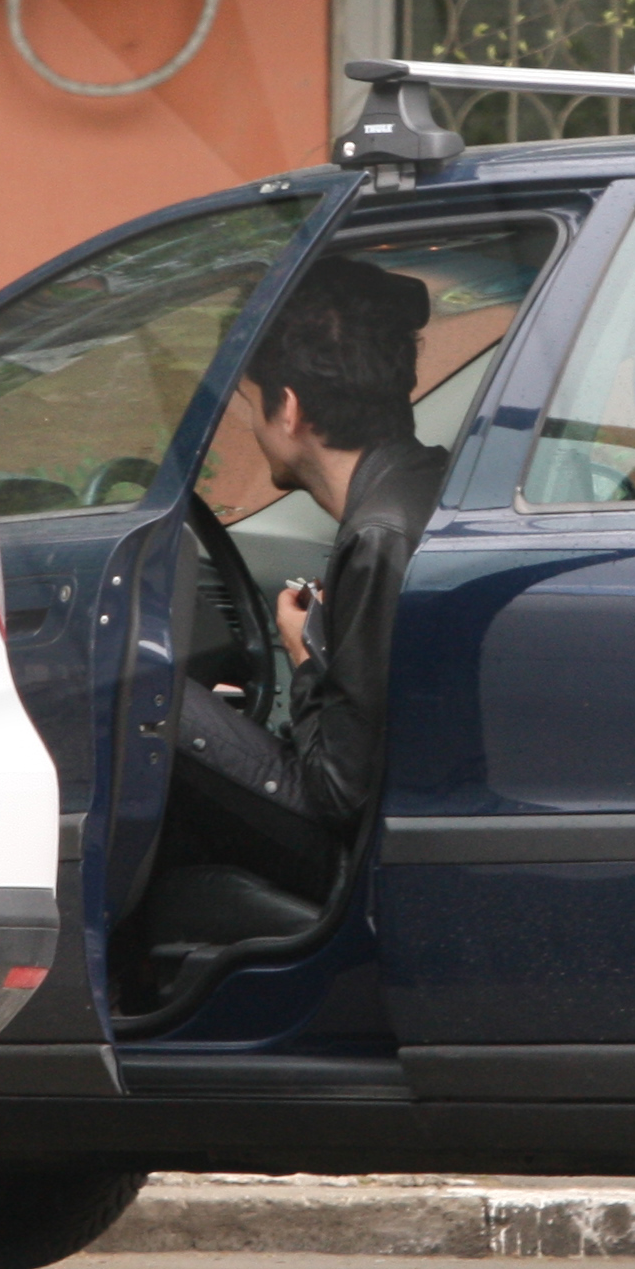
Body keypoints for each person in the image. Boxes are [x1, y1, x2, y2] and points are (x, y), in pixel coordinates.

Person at [157, 258, 449, 929]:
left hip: (354, 861)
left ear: (288, 409)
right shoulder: (420, 485)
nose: (254, 429)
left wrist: (304, 660)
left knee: (144, 703)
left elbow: (338, 794)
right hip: (388, 820)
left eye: (249, 407)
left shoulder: (379, 536)